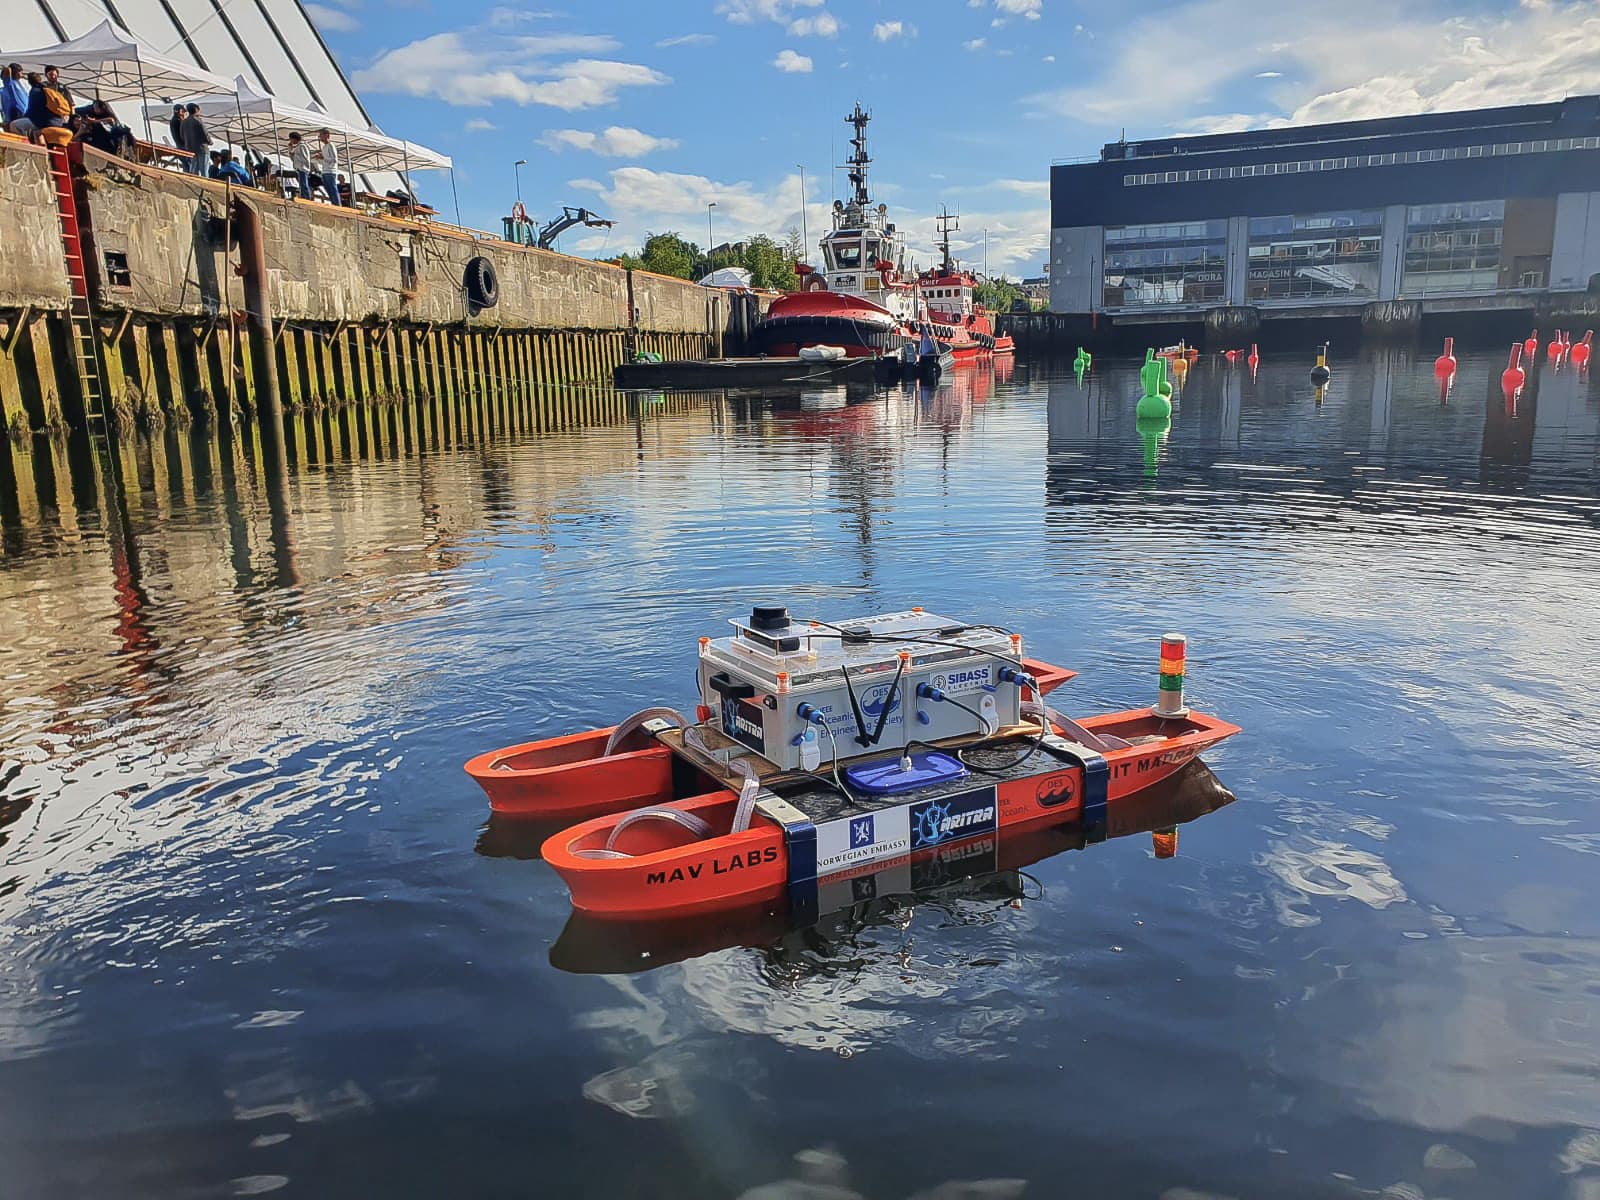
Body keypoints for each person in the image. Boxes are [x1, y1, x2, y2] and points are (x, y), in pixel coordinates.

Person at [37, 65, 73, 134]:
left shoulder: (62, 88)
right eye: (50, 75)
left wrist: (72, 117)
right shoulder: (42, 87)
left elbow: (71, 104)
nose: (53, 77)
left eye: (55, 75)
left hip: (62, 117)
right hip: (46, 117)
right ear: (46, 75)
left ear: (58, 75)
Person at [312, 128, 342, 206]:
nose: (320, 138)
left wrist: (323, 157)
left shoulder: (331, 145)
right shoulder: (324, 147)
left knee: (332, 188)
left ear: (327, 135)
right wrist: (319, 159)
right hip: (325, 171)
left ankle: (338, 205)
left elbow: (334, 159)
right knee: (328, 189)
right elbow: (324, 161)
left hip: (331, 171)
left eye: (321, 135)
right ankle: (334, 204)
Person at [179, 102, 210, 175]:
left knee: (194, 170)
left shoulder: (183, 122)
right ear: (196, 110)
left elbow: (182, 136)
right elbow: (205, 133)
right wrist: (209, 141)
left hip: (190, 148)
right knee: (204, 171)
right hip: (202, 148)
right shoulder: (198, 120)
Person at [1, 63, 31, 136]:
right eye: (20, 72)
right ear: (15, 72)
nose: (22, 74)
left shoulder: (20, 84)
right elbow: (6, 71)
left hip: (25, 112)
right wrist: (11, 68)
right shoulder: (10, 83)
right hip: (16, 112)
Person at [287, 131, 313, 200]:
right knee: (302, 185)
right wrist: (291, 151)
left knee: (304, 185)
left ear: (294, 138)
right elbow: (293, 159)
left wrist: (296, 155)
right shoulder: (298, 147)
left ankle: (307, 198)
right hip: (299, 168)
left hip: (303, 168)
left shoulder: (302, 146)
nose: (291, 141)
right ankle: (304, 197)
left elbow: (305, 158)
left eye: (291, 139)